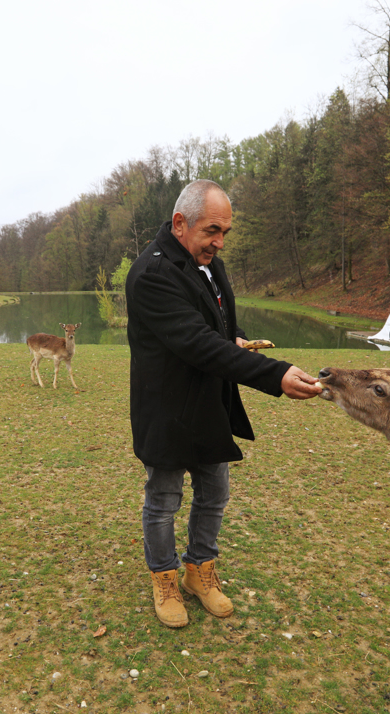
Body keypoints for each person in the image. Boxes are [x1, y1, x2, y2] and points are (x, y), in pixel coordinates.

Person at [125, 179, 322, 628]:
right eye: (212, 230)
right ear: (180, 223)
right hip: (166, 410)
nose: (219, 242)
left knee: (215, 493)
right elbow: (196, 342)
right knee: (164, 499)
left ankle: (199, 570)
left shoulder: (209, 264)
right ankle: (164, 577)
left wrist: (235, 336)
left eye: (225, 232)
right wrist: (274, 374)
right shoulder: (152, 274)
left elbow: (213, 323)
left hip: (209, 403)